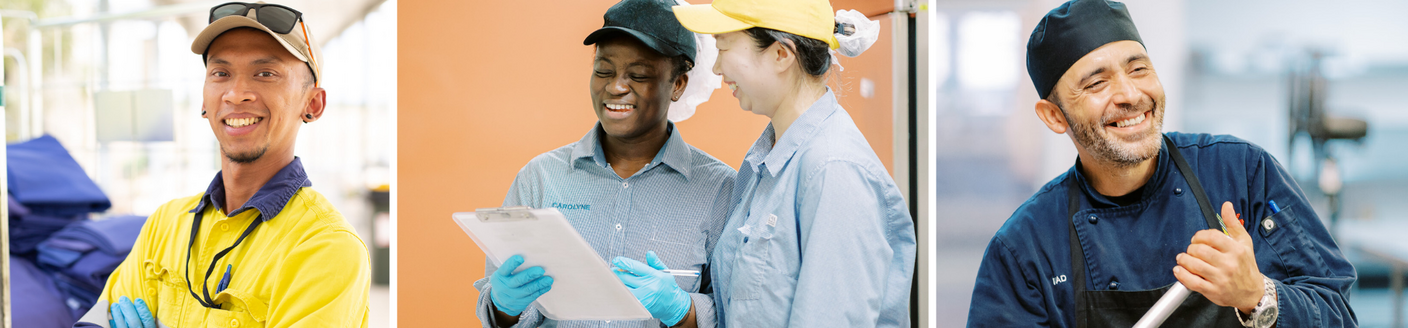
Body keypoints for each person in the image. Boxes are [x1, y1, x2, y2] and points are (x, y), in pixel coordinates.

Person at [966, 1, 1356, 327]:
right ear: (1054, 116)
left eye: (1139, 69)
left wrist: (1256, 295)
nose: (1130, 94)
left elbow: (1338, 314)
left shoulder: (1242, 174)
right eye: (1097, 83)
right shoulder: (1025, 248)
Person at [75, 2, 370, 327]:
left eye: (265, 73)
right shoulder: (165, 225)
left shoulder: (324, 247)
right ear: (204, 101)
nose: (236, 93)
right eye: (221, 73)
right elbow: (96, 320)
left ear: (312, 103)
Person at [471, 0, 736, 327]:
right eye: (603, 70)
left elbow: (737, 310)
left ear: (678, 84)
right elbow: (499, 310)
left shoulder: (720, 190)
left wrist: (685, 310)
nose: (615, 87)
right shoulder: (540, 178)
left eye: (638, 74)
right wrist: (502, 305)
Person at [671, 0, 917, 326]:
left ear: (781, 55)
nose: (716, 68)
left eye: (724, 47)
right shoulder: (768, 161)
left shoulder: (833, 171)